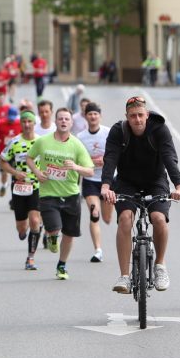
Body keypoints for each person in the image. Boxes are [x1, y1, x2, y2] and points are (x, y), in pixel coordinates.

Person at [100, 96, 180, 294]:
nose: (137, 120)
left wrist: (179, 186)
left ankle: (160, 266)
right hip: (126, 181)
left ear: (147, 115)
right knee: (125, 219)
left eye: (140, 115)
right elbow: (110, 158)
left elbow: (169, 157)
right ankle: (125, 276)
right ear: (126, 117)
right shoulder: (118, 131)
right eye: (133, 116)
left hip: (155, 181)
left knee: (158, 218)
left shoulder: (159, 129)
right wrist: (106, 186)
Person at [25, 107, 94, 280]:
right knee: (54, 227)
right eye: (60, 118)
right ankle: (52, 237)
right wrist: (37, 172)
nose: (63, 121)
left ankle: (62, 265)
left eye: (67, 119)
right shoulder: (43, 141)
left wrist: (76, 167)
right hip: (48, 193)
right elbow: (29, 157)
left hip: (71, 194)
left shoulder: (77, 144)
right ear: (56, 122)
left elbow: (90, 171)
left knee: (70, 233)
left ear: (71, 123)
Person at [0, 109, 42, 270]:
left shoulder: (40, 141)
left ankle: (30, 258)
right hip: (19, 188)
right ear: (21, 124)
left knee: (35, 221)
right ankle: (23, 231)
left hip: (36, 186)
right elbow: (3, 161)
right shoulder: (15, 142)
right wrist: (15, 172)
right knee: (22, 227)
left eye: (29, 121)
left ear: (34, 123)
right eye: (24, 122)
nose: (27, 124)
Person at [76, 102, 112, 264]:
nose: (92, 116)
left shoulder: (108, 133)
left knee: (107, 218)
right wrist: (90, 161)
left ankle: (105, 213)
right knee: (94, 213)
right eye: (90, 114)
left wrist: (105, 160)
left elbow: (117, 152)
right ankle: (98, 250)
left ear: (100, 116)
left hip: (109, 179)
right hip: (90, 180)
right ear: (85, 116)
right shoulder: (80, 137)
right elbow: (77, 158)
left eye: (95, 114)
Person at [0, 105, 22, 198]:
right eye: (10, 118)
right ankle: (4, 185)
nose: (11, 120)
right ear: (7, 115)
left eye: (13, 118)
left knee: (15, 174)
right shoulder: (0, 124)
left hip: (16, 154)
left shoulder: (20, 123)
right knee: (4, 172)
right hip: (3, 153)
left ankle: (15, 194)